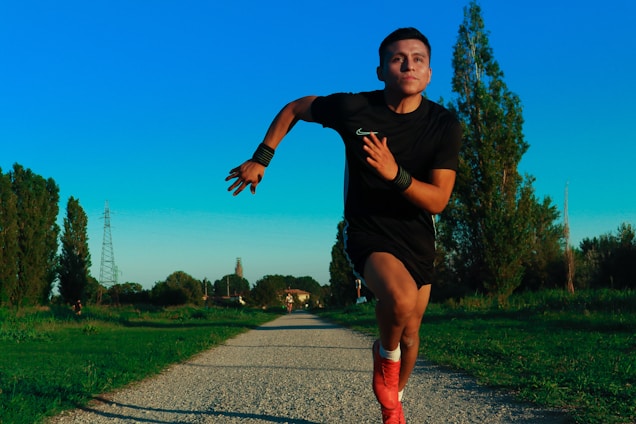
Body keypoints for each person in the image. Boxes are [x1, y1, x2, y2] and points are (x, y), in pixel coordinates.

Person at [226, 27, 461, 423]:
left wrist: (394, 173)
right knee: (400, 300)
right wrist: (262, 158)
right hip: (368, 230)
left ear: (429, 73)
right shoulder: (355, 110)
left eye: (418, 59)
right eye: (398, 58)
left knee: (411, 332)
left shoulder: (443, 124)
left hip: (418, 234)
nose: (409, 65)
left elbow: (438, 199)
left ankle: (394, 400)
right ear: (381, 70)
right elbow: (296, 108)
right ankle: (385, 363)